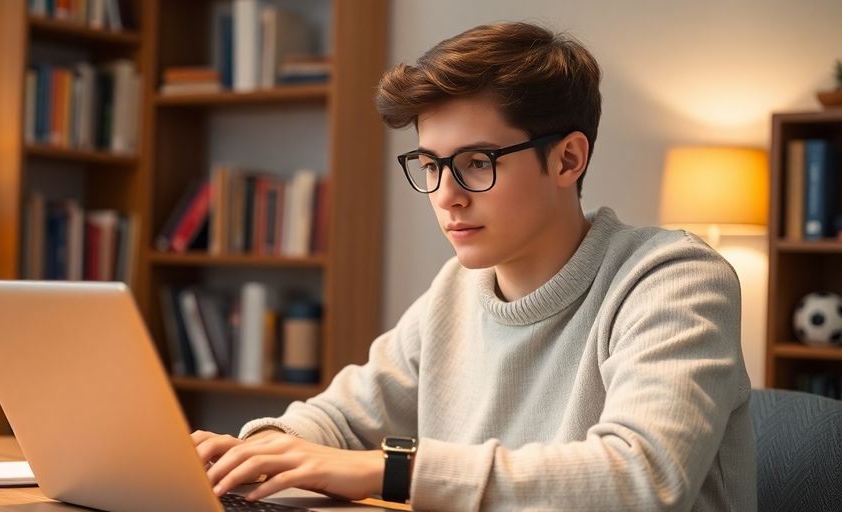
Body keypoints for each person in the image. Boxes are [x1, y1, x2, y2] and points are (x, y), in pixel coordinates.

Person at [192, 21, 756, 511]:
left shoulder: (674, 279)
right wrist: (258, 448)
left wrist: (393, 470)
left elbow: (643, 479)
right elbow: (340, 420)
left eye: (476, 163)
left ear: (568, 159)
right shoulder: (456, 289)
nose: (446, 196)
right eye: (430, 165)